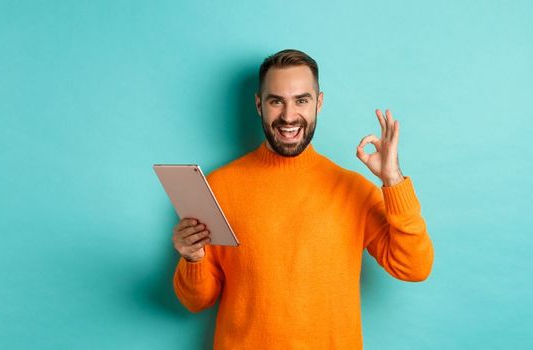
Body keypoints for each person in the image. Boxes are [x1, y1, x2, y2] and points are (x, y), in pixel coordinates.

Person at [170, 49, 434, 349]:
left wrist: (393, 179)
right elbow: (196, 302)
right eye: (275, 101)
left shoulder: (352, 190)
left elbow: (415, 266)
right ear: (259, 104)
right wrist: (193, 258)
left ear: (319, 103)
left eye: (301, 100)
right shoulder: (217, 188)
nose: (288, 116)